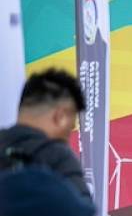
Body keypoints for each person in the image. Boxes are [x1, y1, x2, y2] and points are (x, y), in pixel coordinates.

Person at [0, 69, 88, 197]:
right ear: (60, 116)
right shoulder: (58, 158)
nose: (67, 139)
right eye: (69, 129)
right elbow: (82, 207)